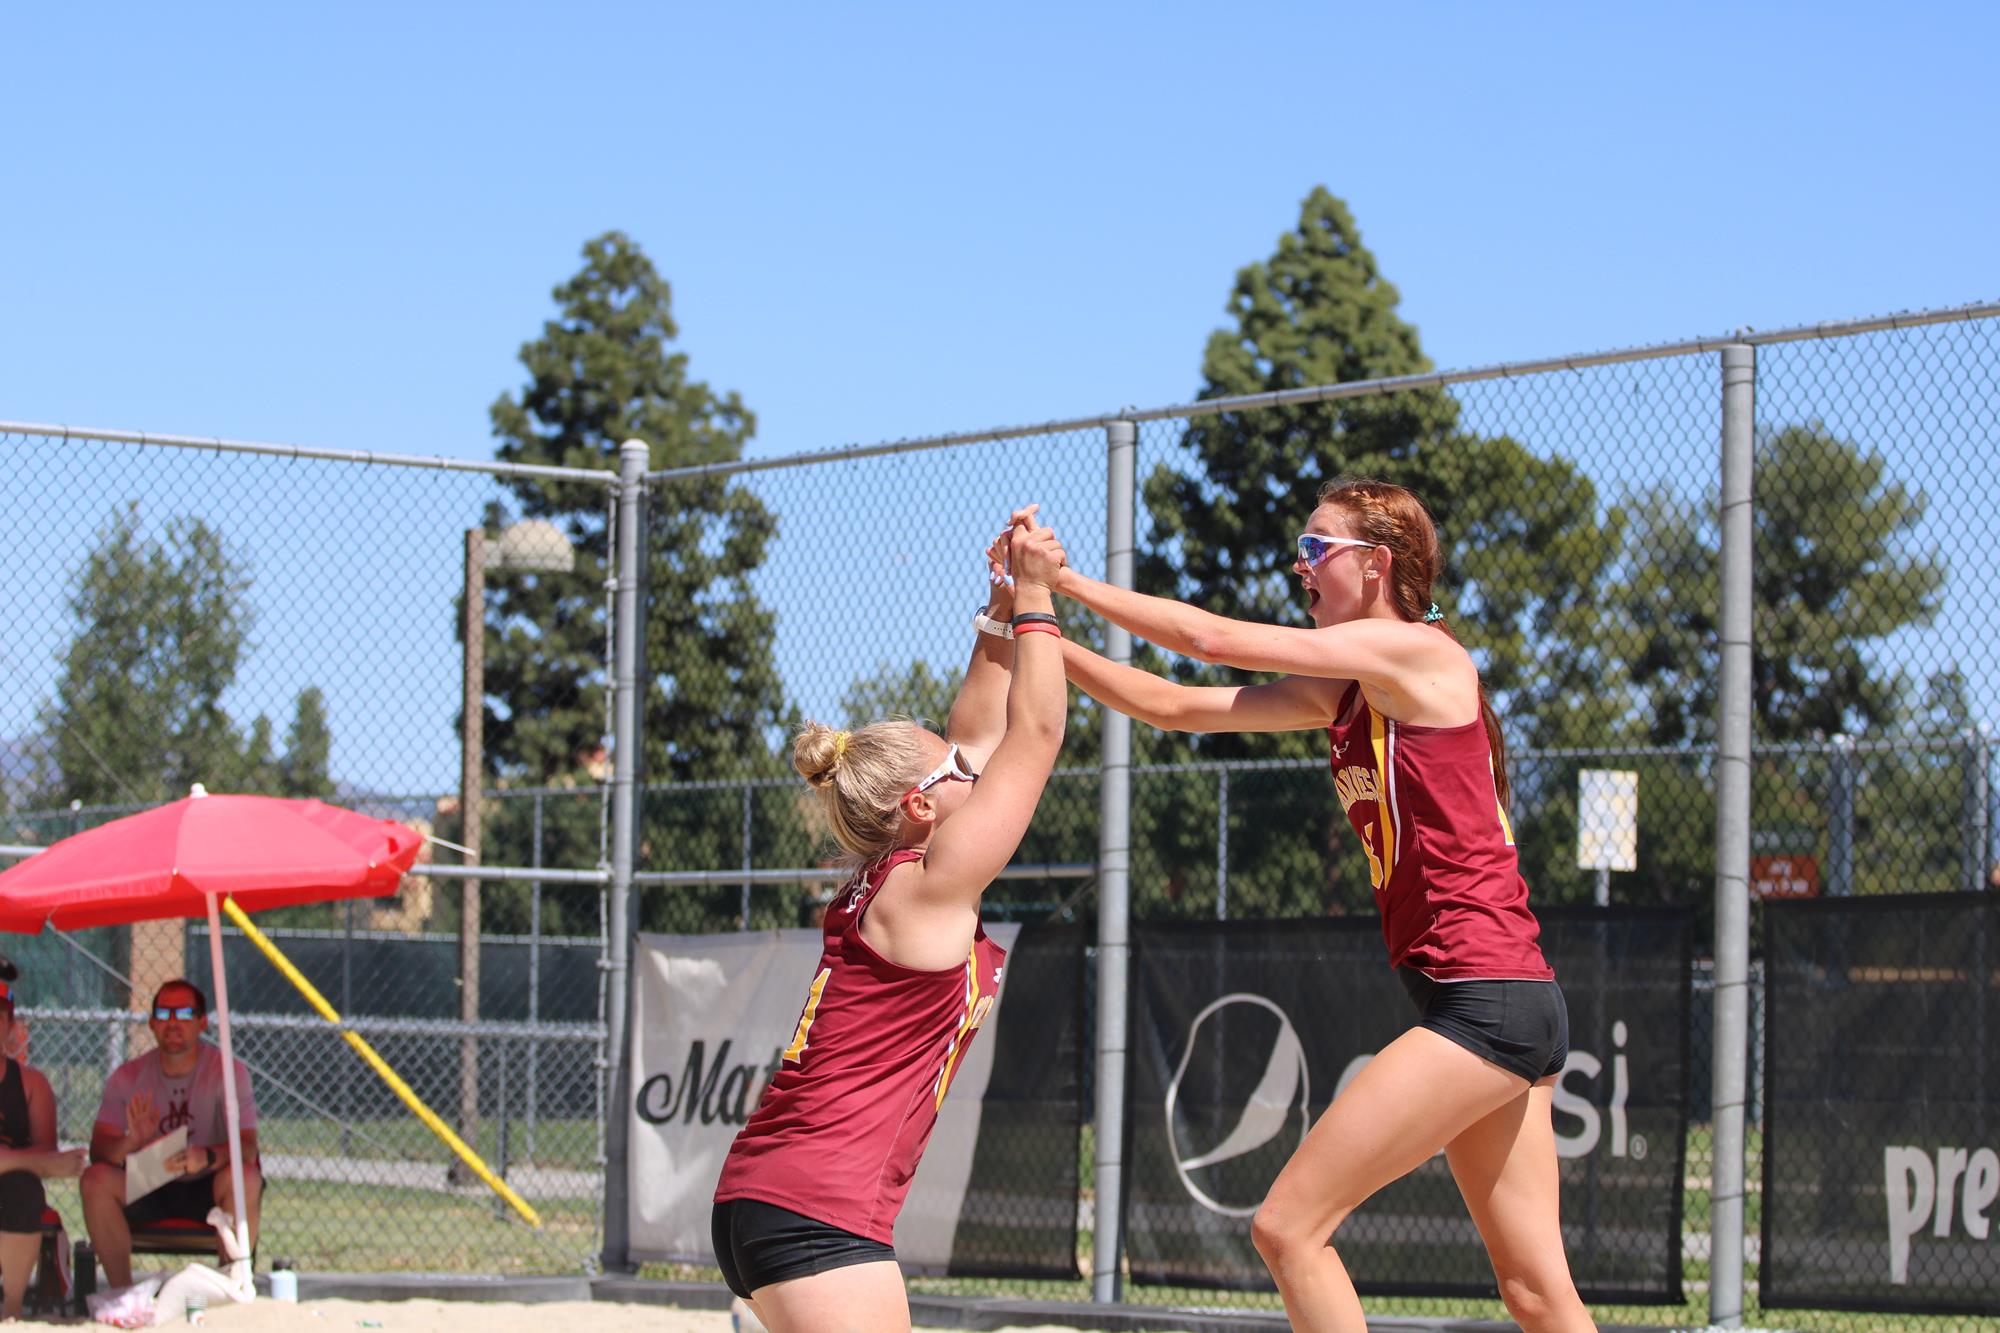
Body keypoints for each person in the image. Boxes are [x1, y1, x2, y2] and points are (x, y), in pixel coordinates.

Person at [1031, 478, 1594, 1333]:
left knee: (1288, 1227)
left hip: (1489, 1001)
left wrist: (1062, 582)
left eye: (1317, 548)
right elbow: (1175, 705)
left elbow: (1209, 638)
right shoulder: (1351, 690)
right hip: (1505, 1000)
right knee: (1535, 1292)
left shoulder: (1420, 654)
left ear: (1377, 564)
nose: (1300, 565)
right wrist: (1032, 632)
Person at [711, 514, 1069, 1333]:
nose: (969, 765)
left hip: (779, 1198)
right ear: (919, 805)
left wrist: (1000, 603)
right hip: (816, 1211)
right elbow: (1036, 732)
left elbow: (981, 731)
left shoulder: (899, 879)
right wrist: (1041, 597)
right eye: (953, 768)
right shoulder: (927, 890)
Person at [80, 979, 262, 1289]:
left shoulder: (228, 1073)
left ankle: (232, 1285)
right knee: (95, 1180)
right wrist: (131, 1141)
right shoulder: (127, 1076)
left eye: (184, 1014)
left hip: (209, 1179)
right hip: (152, 1174)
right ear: (151, 1024)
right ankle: (123, 1295)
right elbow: (99, 1151)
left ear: (202, 1022)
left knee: (245, 1177)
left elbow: (247, 1148)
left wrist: (205, 1157)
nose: (173, 1023)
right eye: (164, 1015)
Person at [0, 958, 87, 1319]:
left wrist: (12, 1162)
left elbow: (51, 1161)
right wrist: (20, 1158)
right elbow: (46, 1160)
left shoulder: (31, 1084)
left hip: (10, 1189)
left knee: (24, 1189)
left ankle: (12, 1311)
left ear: (9, 1025)